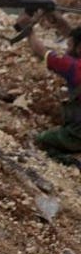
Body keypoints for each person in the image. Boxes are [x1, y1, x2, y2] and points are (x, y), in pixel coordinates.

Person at [18, 10, 81, 167]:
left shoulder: (73, 67)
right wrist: (58, 20)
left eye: (70, 45)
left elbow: (40, 52)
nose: (66, 48)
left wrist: (28, 30)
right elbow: (73, 35)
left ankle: (72, 163)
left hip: (78, 135)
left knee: (41, 141)